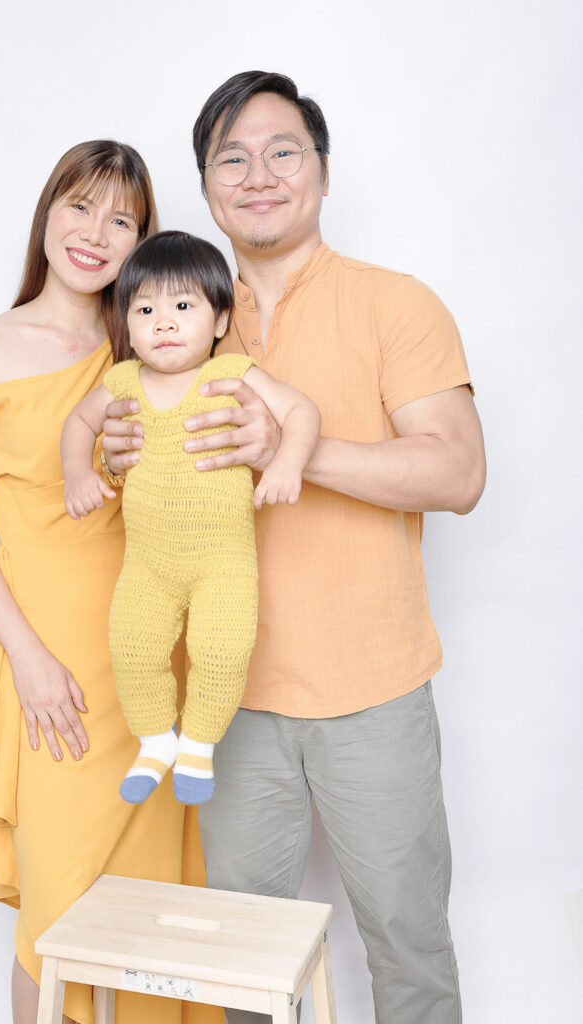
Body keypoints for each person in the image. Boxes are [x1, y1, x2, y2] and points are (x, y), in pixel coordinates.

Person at [102, 72, 487, 1024]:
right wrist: (111, 455)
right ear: (205, 183)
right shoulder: (169, 311)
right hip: (226, 706)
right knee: (245, 966)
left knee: (406, 941)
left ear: (321, 170)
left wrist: (294, 453)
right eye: (231, 157)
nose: (258, 173)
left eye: (284, 151)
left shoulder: (394, 304)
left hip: (373, 690)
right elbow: (139, 487)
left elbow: (457, 476)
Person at [0, 141, 222, 1024]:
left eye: (121, 218)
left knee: (153, 911)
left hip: (144, 659)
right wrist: (26, 657)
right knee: (57, 918)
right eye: (80, 206)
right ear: (47, 214)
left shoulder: (149, 340)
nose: (96, 233)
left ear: (143, 238)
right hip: (43, 662)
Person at [60, 230, 320, 806]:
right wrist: (79, 473)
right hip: (148, 563)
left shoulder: (230, 375)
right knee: (132, 648)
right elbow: (79, 425)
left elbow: (301, 410)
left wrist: (287, 465)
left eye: (183, 307)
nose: (164, 323)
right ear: (126, 324)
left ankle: (198, 745)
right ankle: (156, 742)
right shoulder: (123, 382)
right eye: (146, 309)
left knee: (223, 650)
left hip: (222, 563)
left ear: (221, 319)